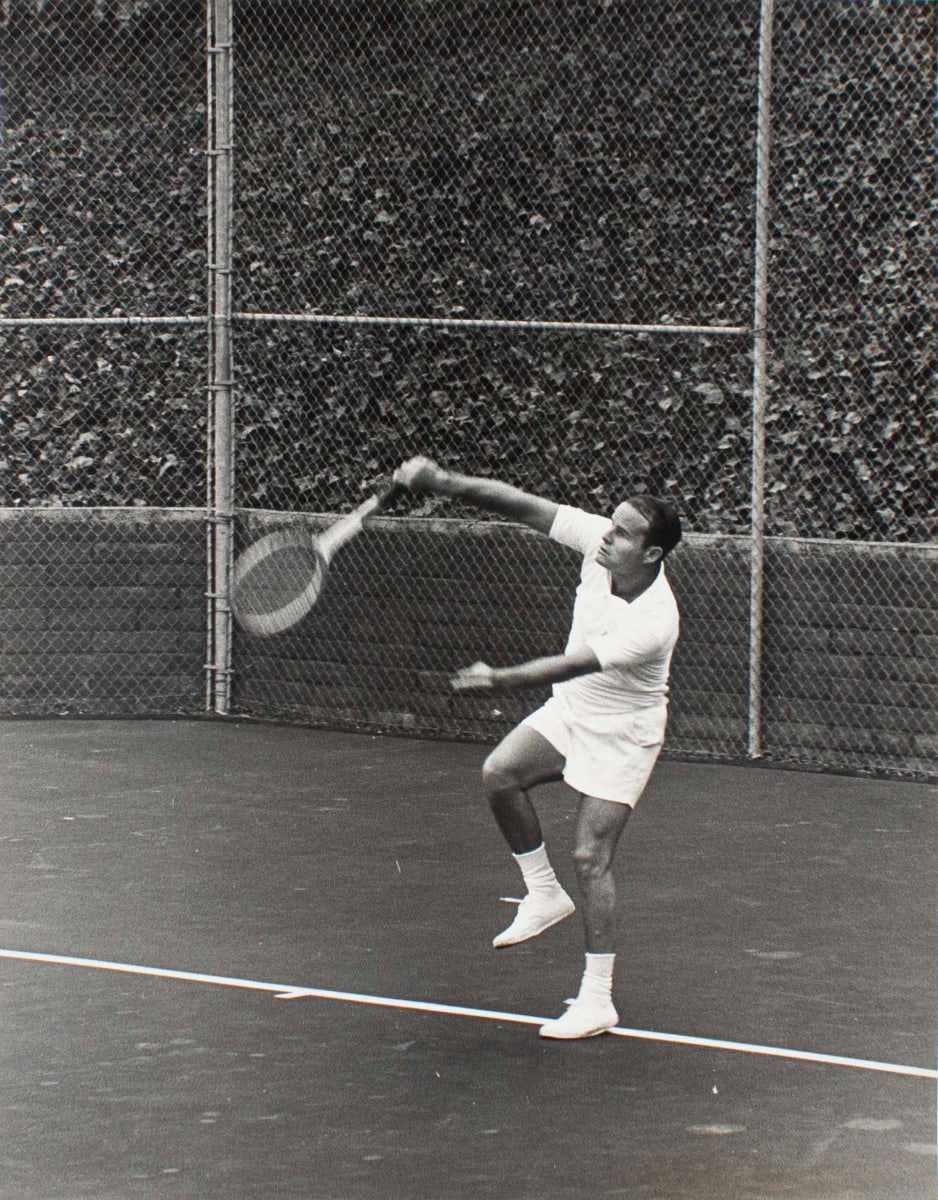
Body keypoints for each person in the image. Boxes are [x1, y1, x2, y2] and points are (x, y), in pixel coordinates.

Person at [393, 456, 682, 1040]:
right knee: (500, 773)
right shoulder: (599, 544)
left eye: (623, 534)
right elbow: (519, 502)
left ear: (651, 554)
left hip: (623, 733)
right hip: (572, 711)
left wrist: (497, 679)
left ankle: (598, 1000)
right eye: (612, 523)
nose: (608, 536)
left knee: (590, 858)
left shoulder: (656, 619)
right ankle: (543, 894)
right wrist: (442, 482)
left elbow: (575, 663)